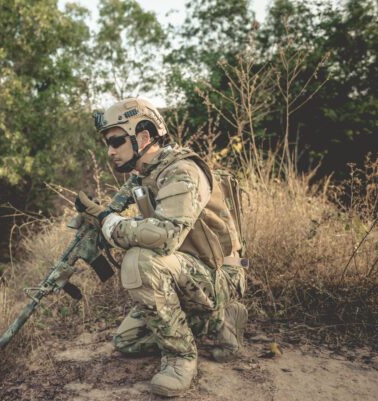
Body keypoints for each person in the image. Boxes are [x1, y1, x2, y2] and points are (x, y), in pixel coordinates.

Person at [75, 98, 248, 397]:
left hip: (219, 274)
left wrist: (110, 223)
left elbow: (165, 236)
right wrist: (95, 220)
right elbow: (113, 212)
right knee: (126, 341)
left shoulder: (182, 171)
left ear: (143, 136)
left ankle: (180, 358)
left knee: (138, 260)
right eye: (107, 143)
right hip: (185, 270)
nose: (110, 151)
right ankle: (218, 323)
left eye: (116, 141)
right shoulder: (143, 174)